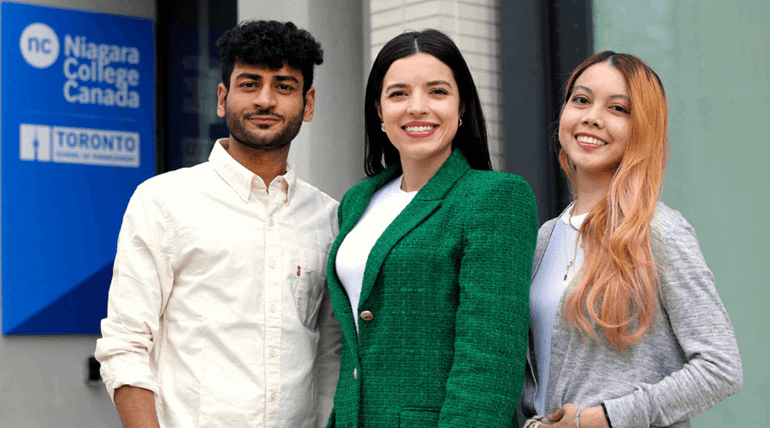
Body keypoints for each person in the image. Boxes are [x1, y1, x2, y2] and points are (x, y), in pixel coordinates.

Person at [95, 20, 342, 428]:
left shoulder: (328, 218)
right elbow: (125, 345)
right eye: (249, 84)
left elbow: (329, 353)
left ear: (308, 102)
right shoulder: (163, 202)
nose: (266, 100)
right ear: (222, 97)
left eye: (283, 86)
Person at [325, 29, 538, 427]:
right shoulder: (357, 202)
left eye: (437, 92)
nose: (417, 107)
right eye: (398, 93)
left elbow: (490, 359)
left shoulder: (496, 197)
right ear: (379, 109)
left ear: (461, 107)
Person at [518, 51, 743, 428]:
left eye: (618, 108)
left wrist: (606, 417)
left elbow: (721, 368)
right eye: (582, 100)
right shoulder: (545, 237)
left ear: (643, 128)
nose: (592, 117)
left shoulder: (659, 231)